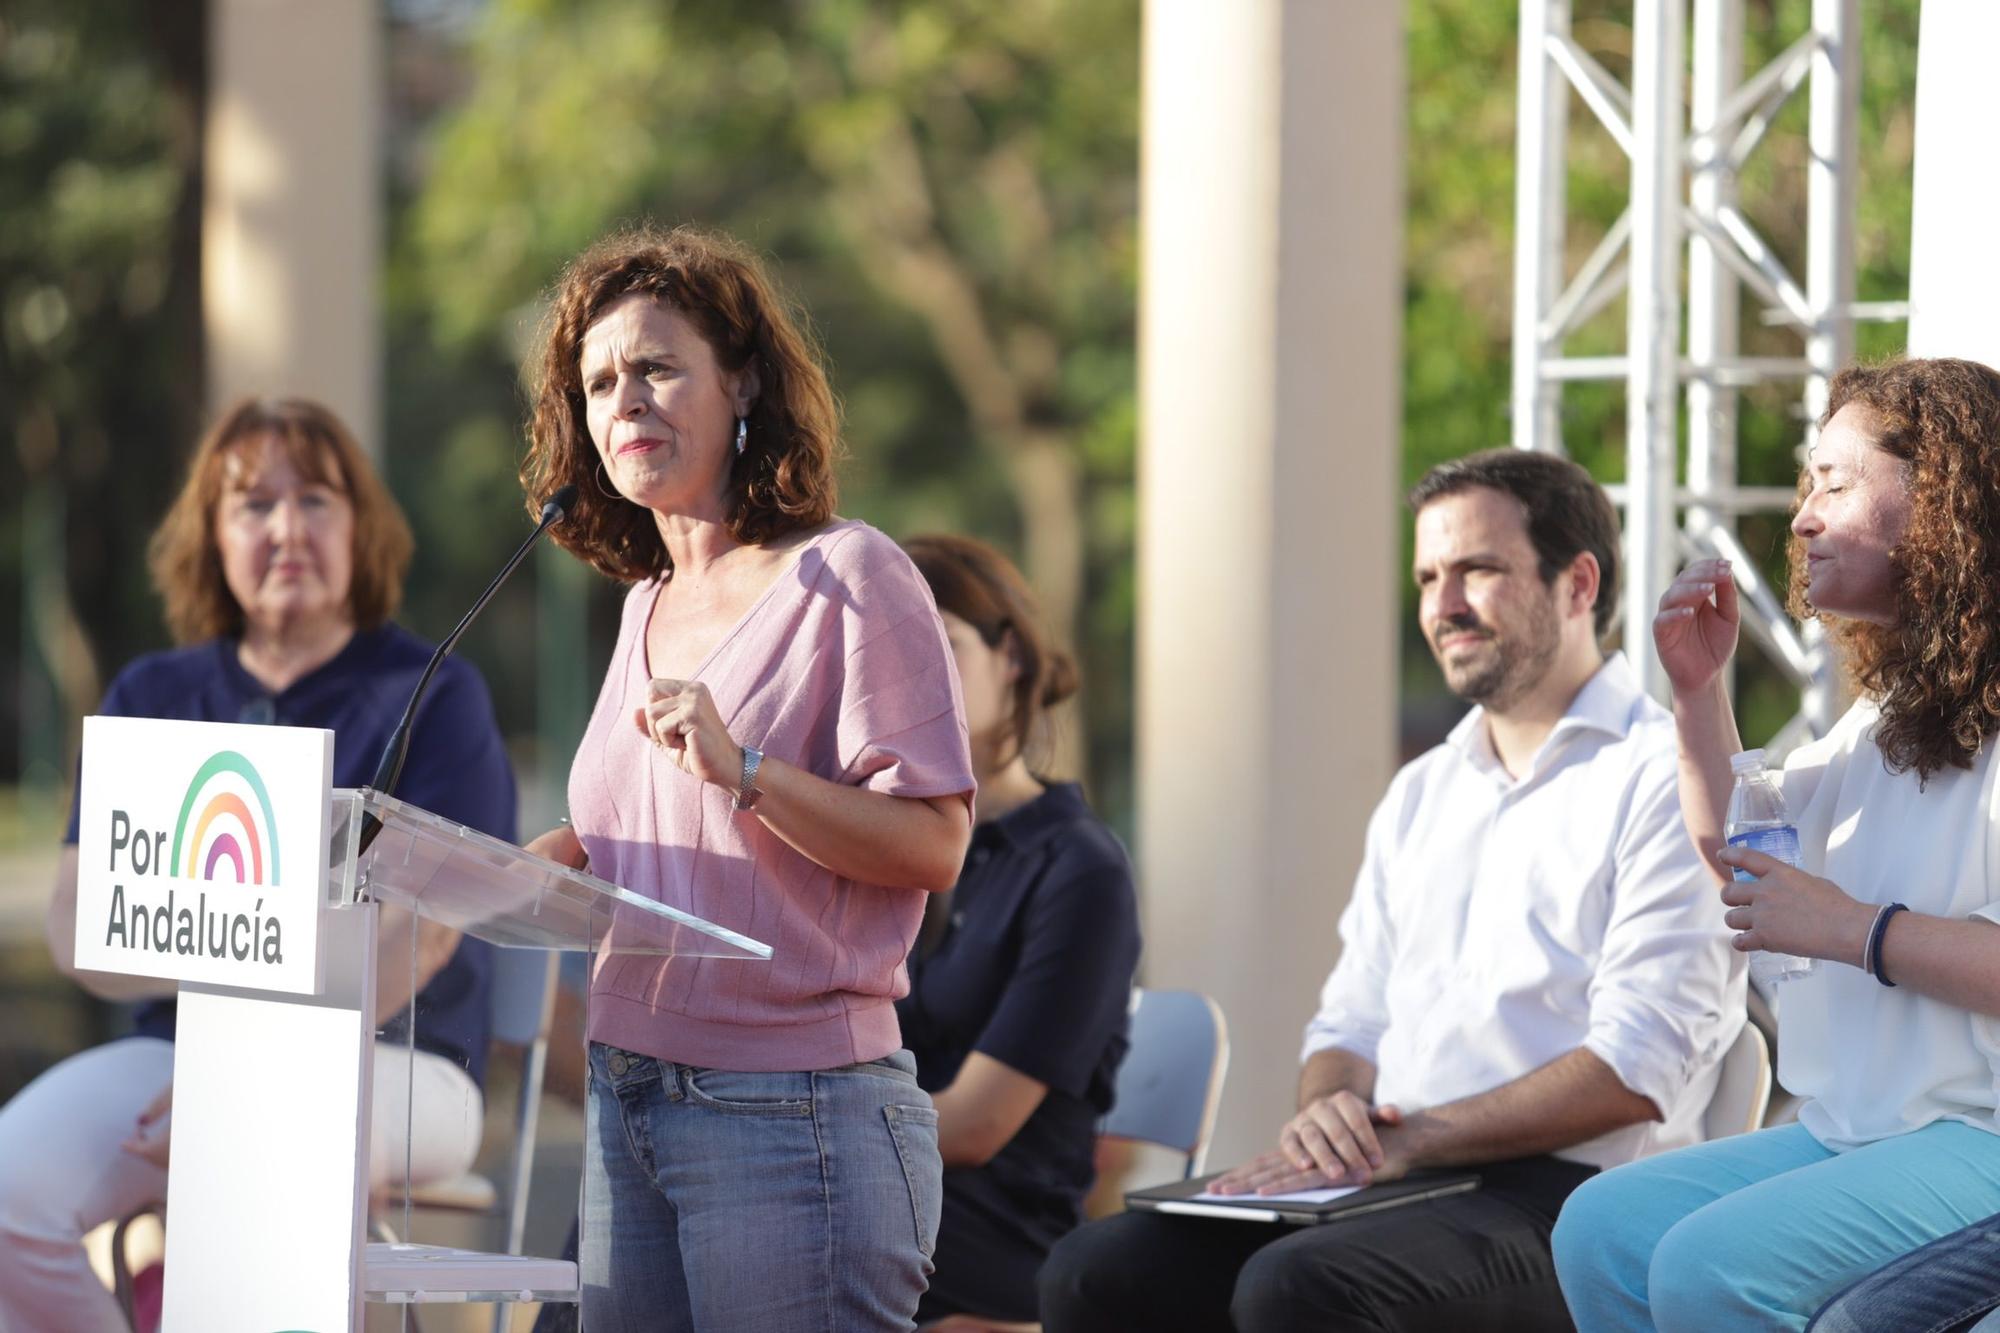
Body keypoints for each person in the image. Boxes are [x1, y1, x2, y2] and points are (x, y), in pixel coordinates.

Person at [1039, 448, 1743, 1333]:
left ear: (1577, 583)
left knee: (1298, 1289)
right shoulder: (1423, 790)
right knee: (1094, 1272)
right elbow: (1347, 1024)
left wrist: (1402, 1138)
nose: (1443, 606)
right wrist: (1331, 1110)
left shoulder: (1662, 774)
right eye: (1428, 578)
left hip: (1578, 1202)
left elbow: (1634, 1068)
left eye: (1477, 571)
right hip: (1397, 1179)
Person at [517, 224, 975, 1333]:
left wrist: (749, 769)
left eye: (657, 366)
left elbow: (933, 843)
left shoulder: (848, 576)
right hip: (627, 1097)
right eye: (599, 382)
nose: (624, 399)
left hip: (789, 1117)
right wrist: (470, 876)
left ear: (744, 384)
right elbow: (621, 838)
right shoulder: (641, 608)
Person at [0, 396, 516, 1332]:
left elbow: (430, 932)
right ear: (212, 537)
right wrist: (219, 1047)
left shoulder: (435, 693)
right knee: (7, 1197)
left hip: (401, 1062)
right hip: (177, 1051)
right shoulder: (151, 694)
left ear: (361, 526)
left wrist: (248, 1072)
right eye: (252, 504)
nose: (286, 527)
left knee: (254, 1150)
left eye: (315, 498)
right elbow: (79, 922)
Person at [1551, 357, 2000, 1330]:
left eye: (1832, 483)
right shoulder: (1883, 712)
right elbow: (1743, 854)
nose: (1801, 517)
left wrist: (1851, 928)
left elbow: (1817, 913)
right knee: (1600, 1230)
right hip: (1862, 1132)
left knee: (1709, 1269)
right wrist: (1693, 691)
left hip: (1981, 1135)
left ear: (1940, 498)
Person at [894, 534, 1141, 1329]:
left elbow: (974, 1126)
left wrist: (784, 1134)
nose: (909, 683)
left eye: (940, 645)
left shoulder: (1078, 868)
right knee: (635, 1208)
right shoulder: (871, 850)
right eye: (887, 656)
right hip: (875, 1191)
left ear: (1013, 659)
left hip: (993, 1230)